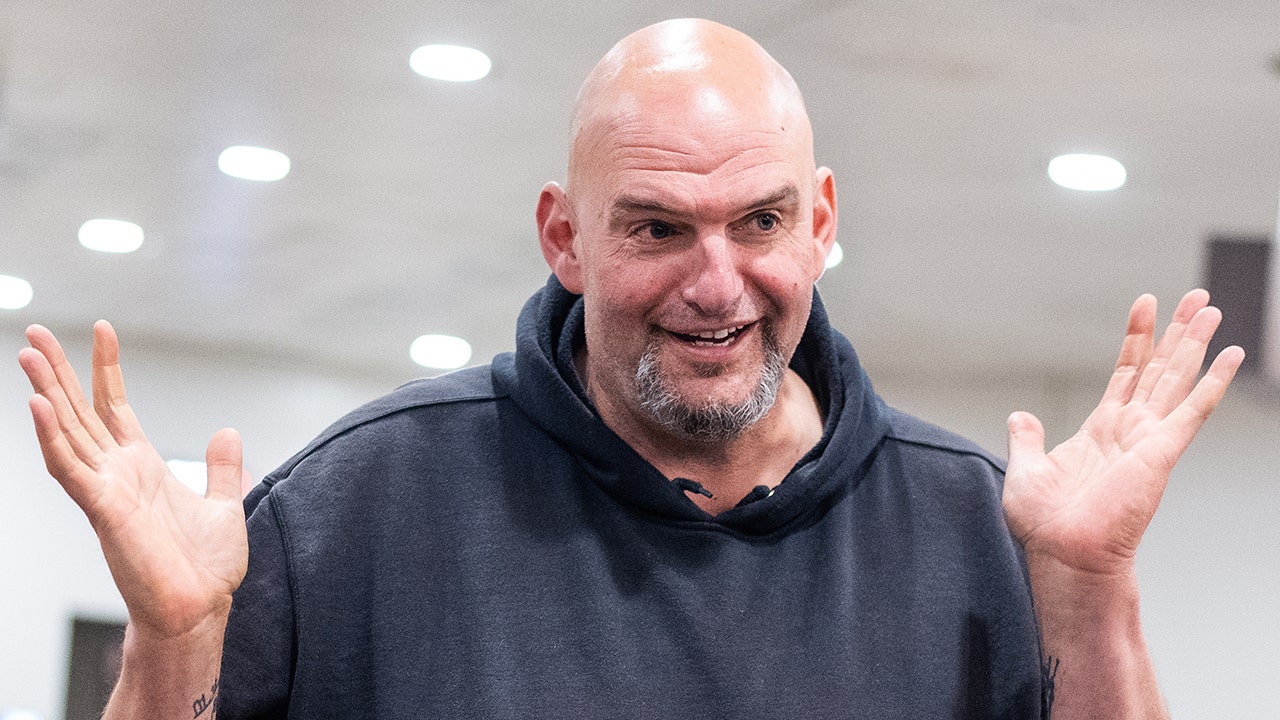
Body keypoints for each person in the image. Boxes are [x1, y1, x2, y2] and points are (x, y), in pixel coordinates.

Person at [18, 18, 1242, 719]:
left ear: (819, 220)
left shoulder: (972, 528)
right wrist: (173, 642)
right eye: (657, 228)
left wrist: (1090, 593)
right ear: (564, 238)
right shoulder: (358, 507)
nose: (716, 284)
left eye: (760, 222)